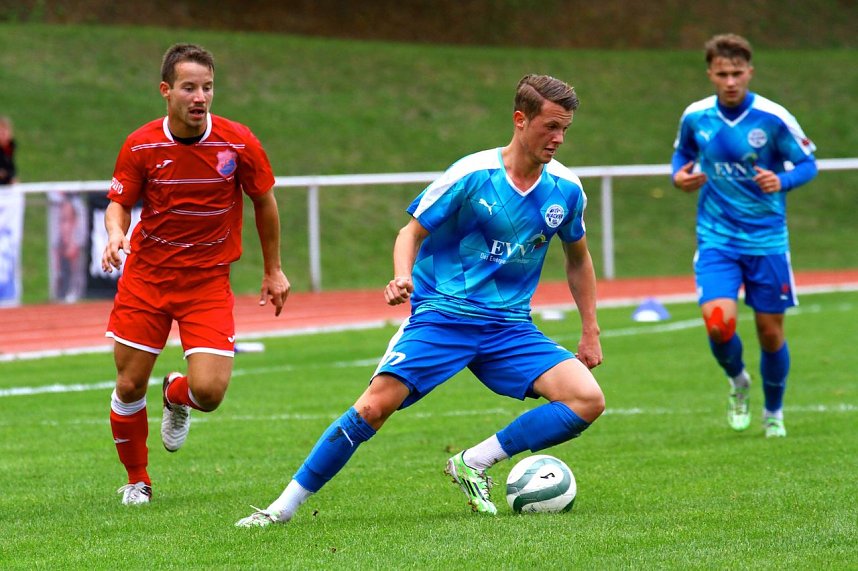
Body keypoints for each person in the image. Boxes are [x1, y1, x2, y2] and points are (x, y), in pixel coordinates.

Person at [236, 74, 605, 527]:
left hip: (510, 328)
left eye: (565, 128)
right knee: (372, 407)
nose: (559, 138)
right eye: (550, 126)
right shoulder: (472, 175)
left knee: (587, 399)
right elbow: (410, 232)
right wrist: (401, 275)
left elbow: (578, 259)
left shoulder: (566, 190)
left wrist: (590, 328)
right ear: (519, 119)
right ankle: (281, 508)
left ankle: (475, 461)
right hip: (443, 317)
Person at [102, 43, 290, 505]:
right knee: (127, 383)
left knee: (209, 392)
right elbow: (119, 202)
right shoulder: (141, 143)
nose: (200, 97)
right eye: (189, 87)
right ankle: (137, 480)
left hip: (206, 281)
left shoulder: (238, 141)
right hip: (147, 278)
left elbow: (263, 202)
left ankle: (176, 394)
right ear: (166, 91)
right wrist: (114, 234)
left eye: (207, 87)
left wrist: (274, 270)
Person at [671, 33, 817, 438]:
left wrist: (782, 180)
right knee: (719, 325)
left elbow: (807, 163)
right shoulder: (696, 117)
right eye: (722, 74)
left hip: (767, 241)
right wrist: (680, 177)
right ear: (710, 74)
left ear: (750, 72)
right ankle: (738, 381)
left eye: (737, 73)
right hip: (717, 238)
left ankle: (774, 411)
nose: (730, 81)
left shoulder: (773, 118)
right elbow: (681, 155)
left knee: (771, 334)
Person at [0, 116, 17, 185]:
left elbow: (10, 166)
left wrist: (12, 176)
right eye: (1, 132)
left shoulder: (10, 146)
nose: (3, 135)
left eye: (5, 131)